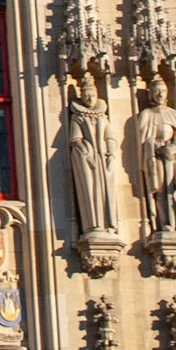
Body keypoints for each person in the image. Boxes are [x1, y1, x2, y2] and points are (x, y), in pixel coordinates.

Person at [137, 76, 176, 234]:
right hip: (157, 157)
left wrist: (173, 147)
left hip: (173, 157)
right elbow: (143, 138)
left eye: (163, 91)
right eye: (157, 91)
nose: (160, 94)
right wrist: (155, 147)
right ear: (151, 94)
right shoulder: (147, 114)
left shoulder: (173, 114)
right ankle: (166, 222)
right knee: (161, 190)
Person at [67, 73, 116, 237]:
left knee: (105, 192)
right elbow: (76, 140)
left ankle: (107, 224)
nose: (89, 98)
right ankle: (93, 224)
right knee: (89, 188)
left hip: (102, 159)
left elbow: (110, 138)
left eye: (92, 95)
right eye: (86, 95)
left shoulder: (102, 117)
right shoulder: (78, 118)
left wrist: (110, 155)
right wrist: (86, 154)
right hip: (88, 160)